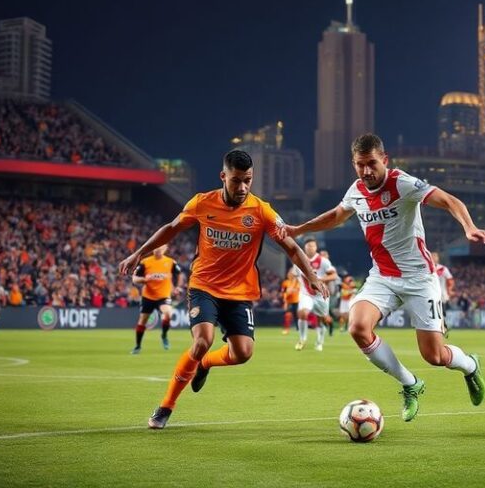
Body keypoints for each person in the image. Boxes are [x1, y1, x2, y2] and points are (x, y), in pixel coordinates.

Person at [282, 133, 485, 421]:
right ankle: (410, 384)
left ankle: (469, 366)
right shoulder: (356, 190)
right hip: (381, 277)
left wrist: (468, 227)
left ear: (385, 160)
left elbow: (448, 200)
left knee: (434, 356)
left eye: (371, 163)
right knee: (357, 327)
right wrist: (299, 229)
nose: (366, 171)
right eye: (360, 165)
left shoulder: (402, 183)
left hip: (419, 279)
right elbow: (335, 216)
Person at [118, 149, 328, 430]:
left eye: (248, 180)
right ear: (223, 176)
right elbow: (171, 228)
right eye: (236, 180)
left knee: (243, 353)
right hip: (204, 285)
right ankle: (166, 406)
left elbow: (289, 245)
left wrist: (311, 274)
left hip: (239, 292)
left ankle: (204, 364)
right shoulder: (202, 203)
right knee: (202, 339)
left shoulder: (261, 210)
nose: (242, 187)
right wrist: (139, 254)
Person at [130, 244, 183, 353]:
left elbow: (179, 274)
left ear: (165, 249)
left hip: (163, 296)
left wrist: (177, 287)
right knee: (143, 321)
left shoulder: (170, 262)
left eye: (160, 247)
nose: (157, 249)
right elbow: (134, 279)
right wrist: (144, 279)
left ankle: (164, 335)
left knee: (168, 313)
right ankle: (138, 346)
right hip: (148, 296)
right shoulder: (145, 262)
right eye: (156, 247)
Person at [293, 238, 337, 351]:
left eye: (312, 245)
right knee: (302, 313)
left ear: (316, 247)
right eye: (308, 246)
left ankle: (319, 342)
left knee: (322, 319)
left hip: (321, 295)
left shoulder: (323, 261)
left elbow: (333, 276)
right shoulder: (299, 261)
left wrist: (320, 280)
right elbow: (294, 275)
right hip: (306, 294)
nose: (310, 247)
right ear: (305, 247)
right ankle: (302, 339)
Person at [432, 252, 454, 333]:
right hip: (430, 294)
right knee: (435, 312)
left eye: (435, 256)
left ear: (438, 258)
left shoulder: (443, 269)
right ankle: (441, 327)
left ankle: (442, 327)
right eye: (432, 256)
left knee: (441, 311)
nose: (434, 258)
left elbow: (450, 280)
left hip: (442, 294)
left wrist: (450, 290)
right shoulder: (427, 268)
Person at [280, 270, 300, 335]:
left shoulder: (297, 282)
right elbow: (282, 293)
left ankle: (298, 328)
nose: (290, 275)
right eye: (289, 273)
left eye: (291, 274)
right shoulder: (285, 283)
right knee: (287, 315)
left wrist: (292, 290)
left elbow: (298, 290)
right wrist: (285, 296)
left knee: (296, 315)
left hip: (296, 301)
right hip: (289, 301)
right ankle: (286, 329)